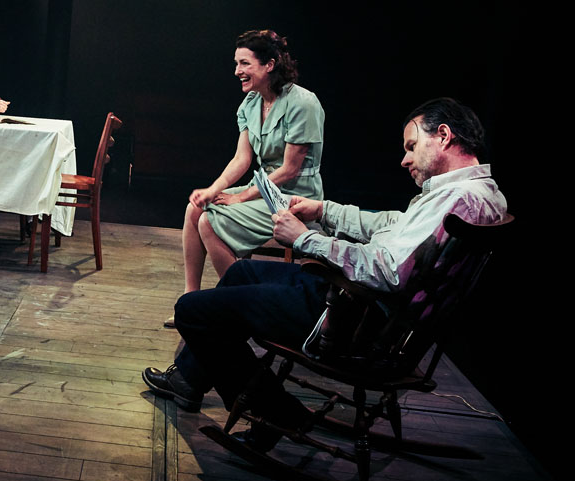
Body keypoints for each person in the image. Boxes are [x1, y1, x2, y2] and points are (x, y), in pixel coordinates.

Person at [143, 97, 507, 450]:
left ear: (443, 136)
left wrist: (306, 240)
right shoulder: (479, 193)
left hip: (352, 318)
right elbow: (392, 225)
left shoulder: (458, 200)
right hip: (364, 308)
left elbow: (387, 271)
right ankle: (189, 380)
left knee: (192, 311)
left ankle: (278, 412)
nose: (404, 159)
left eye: (412, 147)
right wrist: (322, 211)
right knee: (242, 274)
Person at [169, 29, 325, 328]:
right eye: (236, 63)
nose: (237, 71)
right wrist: (211, 190)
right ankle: (190, 300)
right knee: (196, 209)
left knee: (210, 222)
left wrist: (240, 197)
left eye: (244, 64)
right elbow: (242, 159)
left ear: (269, 64)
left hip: (293, 197)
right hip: (264, 190)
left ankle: (238, 308)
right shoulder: (251, 104)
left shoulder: (302, 103)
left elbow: (289, 170)